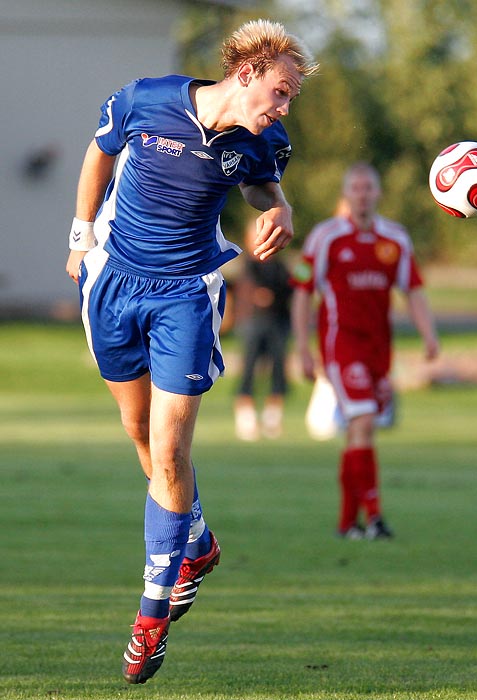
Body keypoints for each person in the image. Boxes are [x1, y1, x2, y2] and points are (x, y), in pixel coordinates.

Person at [65, 19, 318, 684]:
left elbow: (263, 185)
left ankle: (149, 621)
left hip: (186, 292)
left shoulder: (265, 141)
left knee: (170, 448)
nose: (285, 107)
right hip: (113, 281)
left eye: (291, 97)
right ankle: (196, 541)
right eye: (281, 91)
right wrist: (79, 235)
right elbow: (99, 151)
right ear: (246, 74)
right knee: (136, 430)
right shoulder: (148, 99)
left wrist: (279, 209)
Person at [291, 162, 439, 540]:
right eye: (355, 188)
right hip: (341, 345)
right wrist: (303, 348)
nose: (362, 194)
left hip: (378, 350)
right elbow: (303, 292)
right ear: (346, 195)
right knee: (363, 421)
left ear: (378, 193)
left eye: (368, 188)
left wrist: (429, 335)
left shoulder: (395, 240)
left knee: (360, 433)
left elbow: (414, 290)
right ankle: (374, 519)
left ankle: (347, 523)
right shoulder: (326, 238)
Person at [233, 221, 293, 440]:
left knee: (278, 370)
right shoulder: (248, 265)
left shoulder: (280, 266)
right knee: (248, 369)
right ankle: (246, 418)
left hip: (277, 324)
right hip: (252, 324)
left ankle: (272, 418)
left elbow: (293, 287)